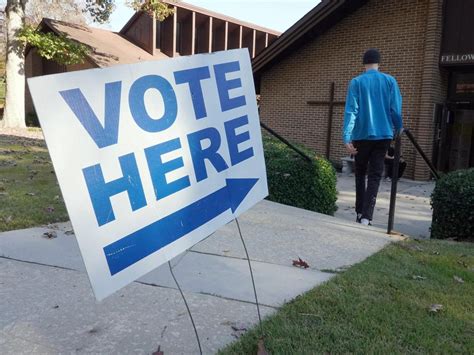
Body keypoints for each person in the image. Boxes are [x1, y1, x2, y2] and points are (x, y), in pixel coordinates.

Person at [342, 49, 403, 226]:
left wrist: (347, 137)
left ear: (364, 63)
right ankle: (367, 217)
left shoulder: (356, 82)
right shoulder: (390, 81)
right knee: (375, 175)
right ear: (379, 63)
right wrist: (399, 130)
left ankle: (359, 210)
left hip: (361, 135)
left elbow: (351, 111)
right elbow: (395, 110)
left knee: (360, 173)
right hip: (383, 135)